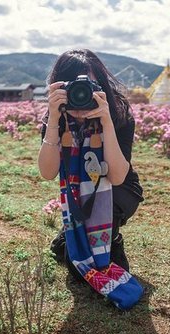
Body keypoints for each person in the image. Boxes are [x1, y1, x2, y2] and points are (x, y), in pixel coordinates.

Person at [38, 49, 144, 309]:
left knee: (110, 195)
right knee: (77, 272)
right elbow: (47, 172)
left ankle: (109, 238)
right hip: (78, 193)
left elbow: (118, 175)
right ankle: (77, 235)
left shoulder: (117, 114)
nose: (81, 95)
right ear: (59, 87)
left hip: (119, 190)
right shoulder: (57, 117)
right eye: (74, 87)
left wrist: (106, 122)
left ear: (101, 86)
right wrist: (53, 119)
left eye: (89, 86)